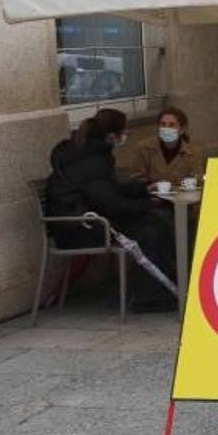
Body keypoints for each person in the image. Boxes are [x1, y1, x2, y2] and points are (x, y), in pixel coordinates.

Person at [45, 108, 177, 313]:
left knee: (157, 221)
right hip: (80, 229)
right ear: (111, 136)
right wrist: (148, 204)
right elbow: (111, 203)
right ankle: (150, 297)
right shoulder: (91, 160)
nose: (125, 137)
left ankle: (164, 286)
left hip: (87, 221)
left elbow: (107, 190)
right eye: (124, 133)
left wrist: (142, 189)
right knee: (151, 230)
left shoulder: (89, 153)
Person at [128, 106, 203, 186]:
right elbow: (136, 178)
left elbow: (197, 179)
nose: (166, 128)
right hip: (151, 196)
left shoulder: (192, 151)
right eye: (163, 124)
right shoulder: (143, 148)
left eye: (172, 125)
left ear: (182, 130)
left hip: (181, 196)